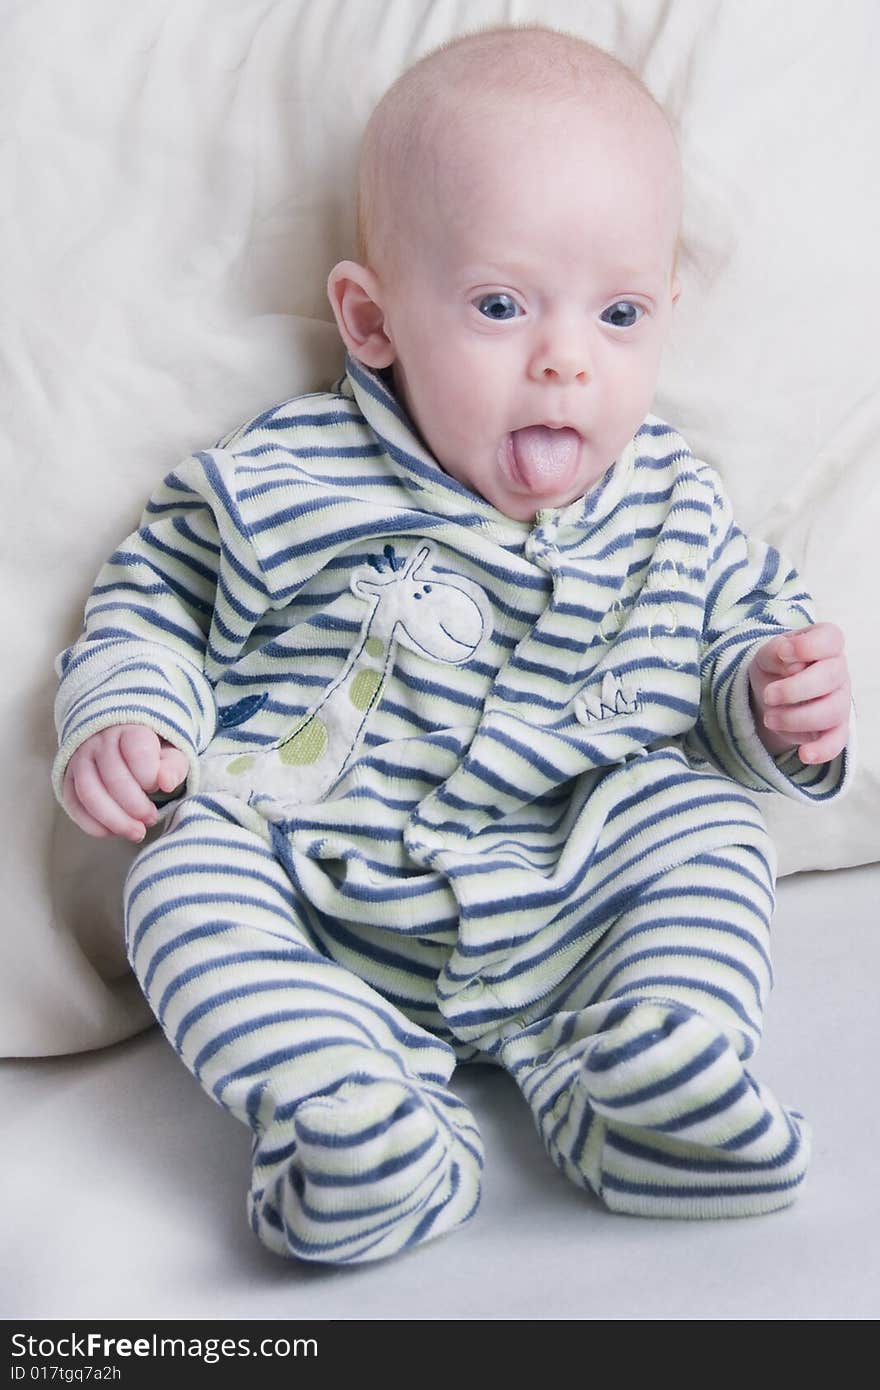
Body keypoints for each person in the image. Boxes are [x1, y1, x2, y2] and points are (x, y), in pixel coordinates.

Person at [52, 25, 853, 1264]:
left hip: (571, 877)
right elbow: (152, 590)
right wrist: (125, 716)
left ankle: (645, 1063)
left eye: (622, 312)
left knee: (703, 824)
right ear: (372, 321)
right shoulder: (284, 476)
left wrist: (771, 696)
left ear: (665, 318)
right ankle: (353, 1112)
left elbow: (735, 654)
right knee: (180, 870)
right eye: (498, 304)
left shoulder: (676, 504)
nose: (565, 358)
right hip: (323, 880)